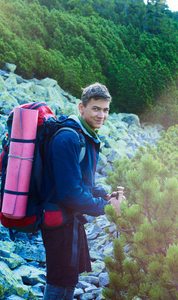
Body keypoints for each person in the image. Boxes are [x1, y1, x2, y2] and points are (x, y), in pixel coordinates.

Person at [41, 83, 123, 300]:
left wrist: (104, 194)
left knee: (68, 278)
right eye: (96, 108)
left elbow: (83, 181)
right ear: (81, 107)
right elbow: (70, 193)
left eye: (105, 110)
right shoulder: (69, 138)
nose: (101, 115)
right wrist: (106, 207)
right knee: (59, 280)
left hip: (69, 220)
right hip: (58, 221)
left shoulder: (85, 136)